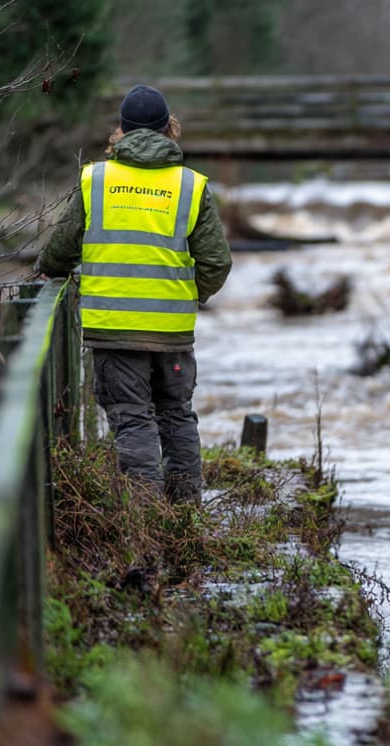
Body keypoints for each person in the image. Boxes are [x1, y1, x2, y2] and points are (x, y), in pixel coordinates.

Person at [38, 84, 231, 503]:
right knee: (177, 416)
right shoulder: (191, 186)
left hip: (114, 327)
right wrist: (187, 295)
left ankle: (145, 521)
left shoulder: (96, 180)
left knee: (132, 420)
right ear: (169, 129)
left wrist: (51, 271)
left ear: (120, 130)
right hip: (172, 331)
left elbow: (61, 249)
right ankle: (184, 516)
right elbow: (217, 263)